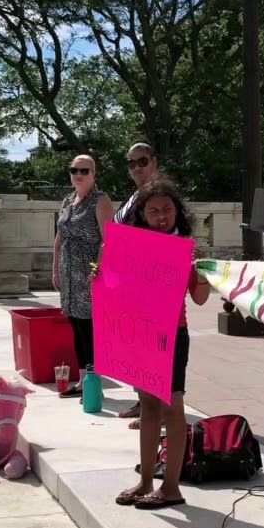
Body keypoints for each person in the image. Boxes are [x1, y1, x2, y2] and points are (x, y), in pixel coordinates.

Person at [112, 179, 210, 510]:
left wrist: (202, 271)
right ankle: (145, 481)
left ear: (177, 211)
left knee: (173, 408)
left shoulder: (185, 247)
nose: (161, 215)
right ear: (142, 213)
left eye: (167, 209)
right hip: (142, 333)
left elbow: (199, 299)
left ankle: (171, 487)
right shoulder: (133, 246)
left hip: (172, 333)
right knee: (149, 406)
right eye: (153, 210)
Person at [53, 154, 114, 398]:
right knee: (75, 326)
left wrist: (97, 269)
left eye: (84, 170)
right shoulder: (68, 200)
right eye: (74, 170)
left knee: (89, 327)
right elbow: (59, 236)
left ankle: (93, 381)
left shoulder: (100, 200)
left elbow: (108, 240)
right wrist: (54, 267)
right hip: (68, 274)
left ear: (94, 174)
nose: (78, 174)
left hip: (88, 274)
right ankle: (82, 380)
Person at [114, 142, 161, 425]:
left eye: (141, 161)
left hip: (151, 283)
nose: (136, 168)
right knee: (135, 349)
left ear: (153, 162)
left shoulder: (159, 194)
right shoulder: (135, 196)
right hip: (128, 282)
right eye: (131, 164)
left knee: (151, 349)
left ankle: (157, 411)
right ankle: (143, 402)